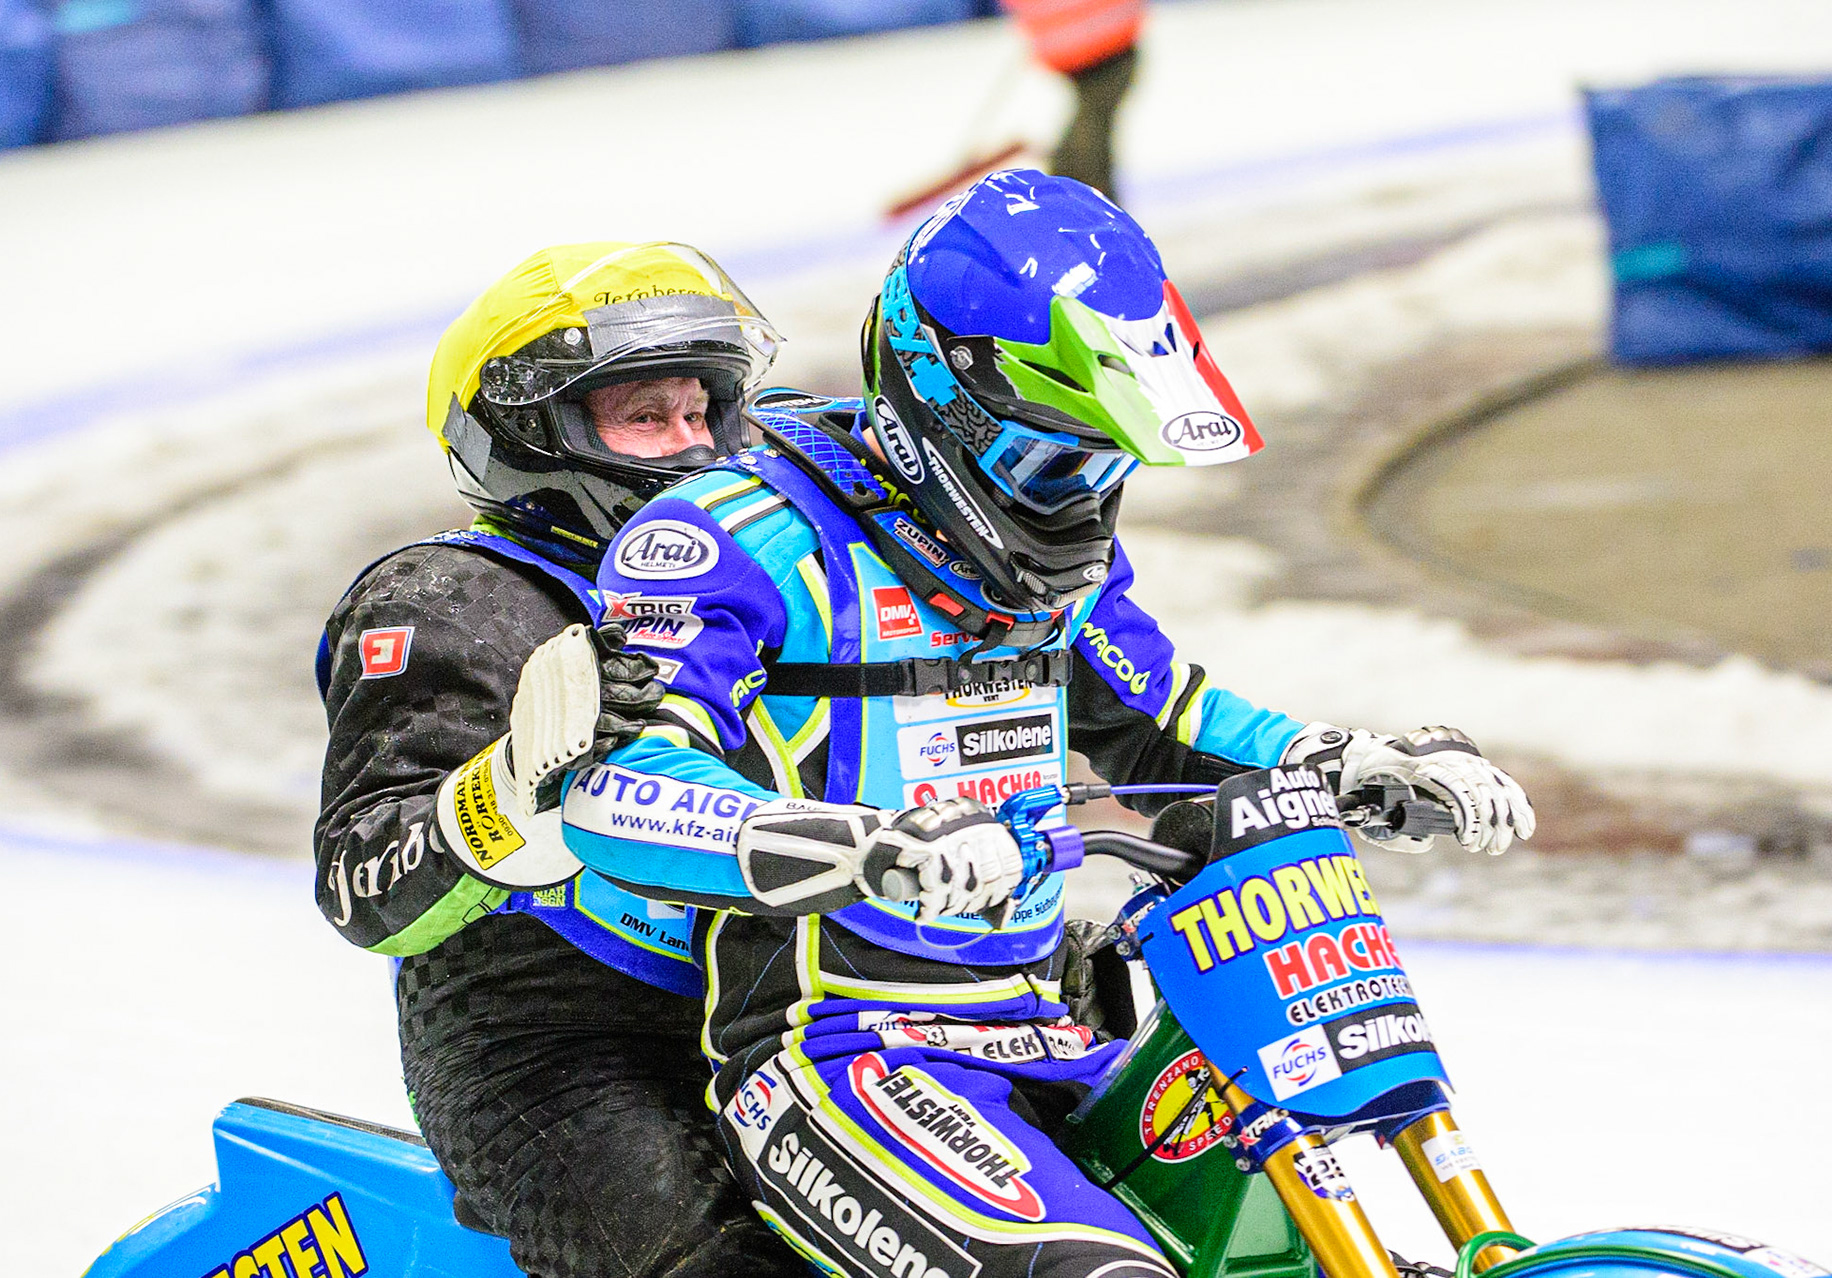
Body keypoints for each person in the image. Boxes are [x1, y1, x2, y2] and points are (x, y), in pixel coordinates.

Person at [557, 172, 1535, 1277]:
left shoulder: (1059, 574)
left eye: (1103, 465)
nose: (1074, 502)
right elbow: (613, 790)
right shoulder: (734, 536)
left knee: (1272, 1255)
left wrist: (1349, 759)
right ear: (934, 399)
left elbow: (1168, 720)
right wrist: (869, 848)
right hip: (837, 1052)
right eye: (1051, 460)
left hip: (1047, 1028)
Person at [313, 240, 810, 1278]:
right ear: (531, 436)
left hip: (812, 1009)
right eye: (643, 416)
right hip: (559, 1054)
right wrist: (508, 794)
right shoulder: (446, 601)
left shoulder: (784, 571)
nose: (691, 447)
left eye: (701, 411)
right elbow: (363, 892)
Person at [1004, 0, 1145, 202]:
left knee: (1086, 145)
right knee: (1088, 143)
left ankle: (1073, 205)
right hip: (1099, 51)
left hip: (1107, 52)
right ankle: (1081, 206)